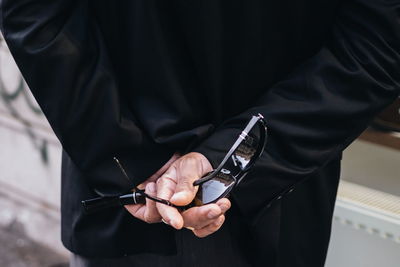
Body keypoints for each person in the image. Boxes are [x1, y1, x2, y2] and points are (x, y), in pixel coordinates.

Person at [1, 0, 399, 266]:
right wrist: (222, 160)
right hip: (258, 200)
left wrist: (134, 161)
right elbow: (377, 46)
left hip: (141, 196)